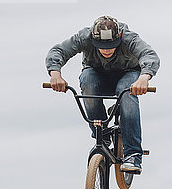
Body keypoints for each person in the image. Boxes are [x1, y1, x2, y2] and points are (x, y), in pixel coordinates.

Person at [45, 15, 160, 174]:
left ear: (119, 37)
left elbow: (149, 54)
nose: (106, 50)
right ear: (93, 39)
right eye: (101, 46)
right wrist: (55, 74)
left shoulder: (128, 38)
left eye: (112, 45)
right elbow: (59, 50)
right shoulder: (84, 37)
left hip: (128, 75)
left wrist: (144, 78)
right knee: (87, 81)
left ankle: (133, 153)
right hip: (98, 77)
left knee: (126, 92)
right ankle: (102, 135)